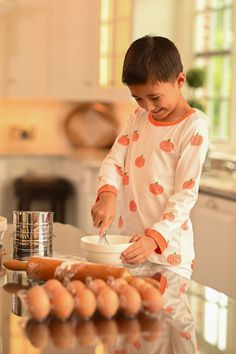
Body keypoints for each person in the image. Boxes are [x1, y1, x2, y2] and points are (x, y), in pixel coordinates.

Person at [91, 35, 209, 279]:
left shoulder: (194, 127)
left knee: (166, 317)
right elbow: (114, 161)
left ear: (179, 81)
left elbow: (184, 195)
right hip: (129, 248)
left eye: (154, 97)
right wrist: (107, 195)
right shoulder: (138, 117)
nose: (148, 106)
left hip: (169, 258)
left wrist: (153, 240)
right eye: (138, 98)